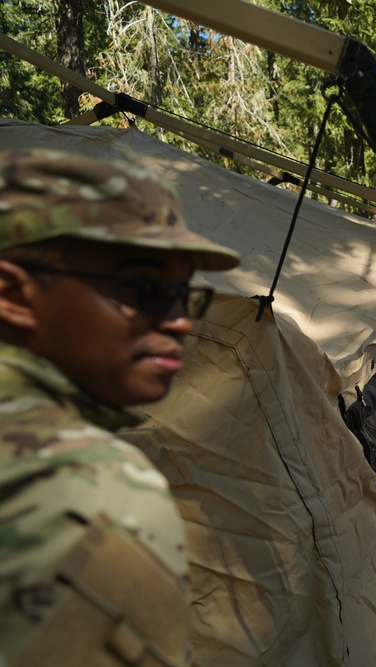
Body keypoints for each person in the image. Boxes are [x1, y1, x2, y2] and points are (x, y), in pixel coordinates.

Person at [0, 149, 241, 666]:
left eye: (184, 294)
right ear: (13, 295)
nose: (181, 321)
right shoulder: (96, 487)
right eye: (146, 289)